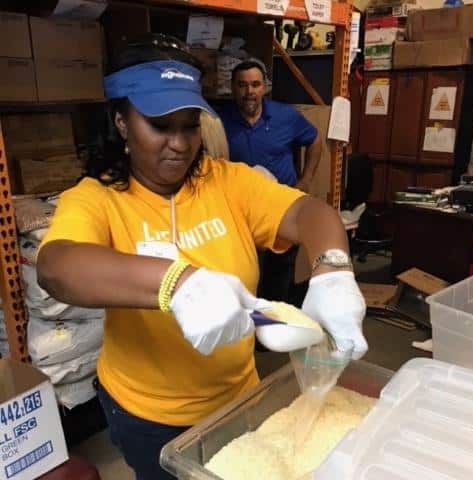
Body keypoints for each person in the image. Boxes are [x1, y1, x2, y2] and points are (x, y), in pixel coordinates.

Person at [36, 37, 368, 480]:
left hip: (237, 402)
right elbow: (58, 268)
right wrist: (179, 282)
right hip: (147, 416)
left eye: (189, 125)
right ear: (121, 121)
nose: (179, 143)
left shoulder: (226, 183)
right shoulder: (97, 199)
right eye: (160, 126)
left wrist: (333, 271)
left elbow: (310, 213)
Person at [218, 59, 324, 306]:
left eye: (255, 85)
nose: (249, 92)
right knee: (243, 272)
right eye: (242, 85)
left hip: (280, 211)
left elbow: (315, 140)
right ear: (233, 88)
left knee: (279, 275)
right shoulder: (220, 121)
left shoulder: (285, 116)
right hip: (239, 214)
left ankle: (274, 331)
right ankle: (248, 329)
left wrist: (306, 179)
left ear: (264, 87)